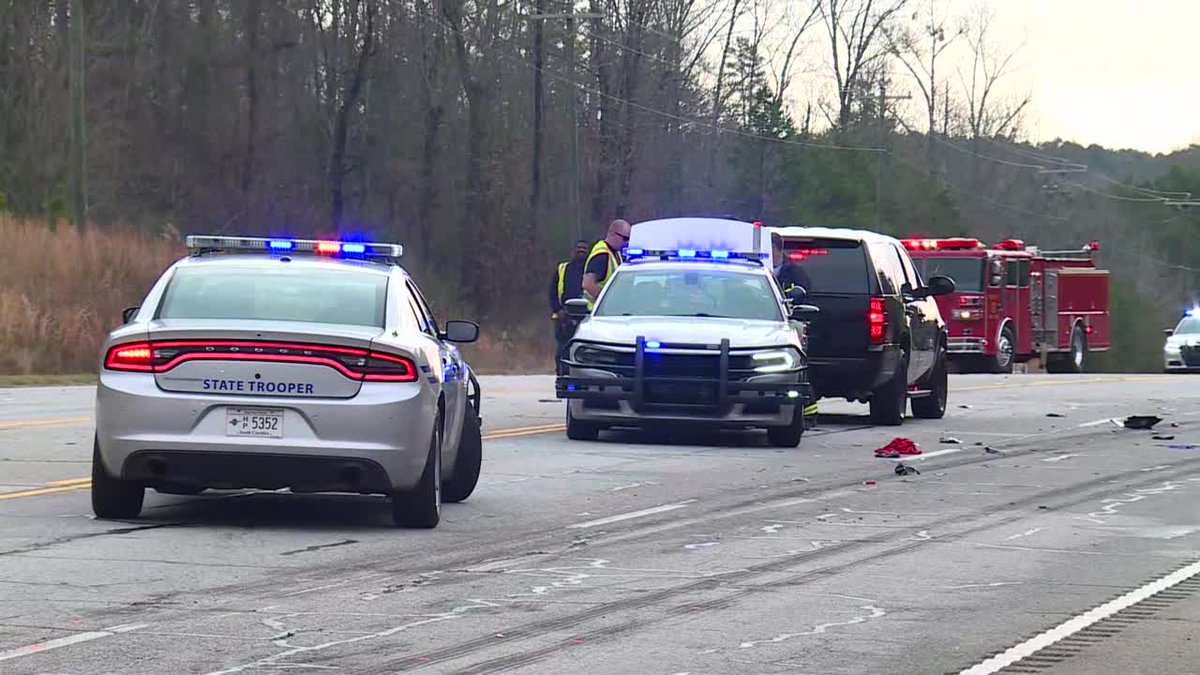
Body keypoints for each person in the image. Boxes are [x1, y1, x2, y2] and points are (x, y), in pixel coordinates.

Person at [770, 232, 820, 425]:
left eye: (770, 250)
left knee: (798, 370)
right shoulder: (760, 270)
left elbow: (806, 299)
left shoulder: (794, 273)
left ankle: (807, 414)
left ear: (778, 249)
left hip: (791, 325)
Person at [549, 240, 589, 375]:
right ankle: (562, 377)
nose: (581, 251)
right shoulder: (562, 269)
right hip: (564, 318)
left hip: (586, 318)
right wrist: (558, 310)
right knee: (562, 351)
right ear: (573, 250)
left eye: (584, 248)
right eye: (579, 248)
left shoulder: (590, 270)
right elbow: (552, 292)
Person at [581, 219, 631, 308]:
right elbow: (587, 284)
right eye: (625, 238)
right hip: (595, 311)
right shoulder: (602, 255)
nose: (626, 243)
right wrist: (606, 301)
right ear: (612, 234)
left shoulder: (616, 253)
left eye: (629, 239)